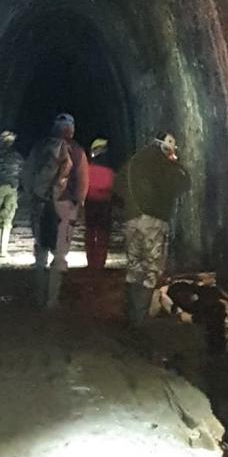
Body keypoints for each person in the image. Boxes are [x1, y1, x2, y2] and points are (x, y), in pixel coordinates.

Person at [114, 131, 190, 325]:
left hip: (131, 219)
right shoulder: (164, 164)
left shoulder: (136, 159)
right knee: (151, 269)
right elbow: (184, 184)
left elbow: (118, 186)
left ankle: (130, 312)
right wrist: (177, 163)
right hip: (153, 221)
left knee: (134, 266)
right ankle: (140, 317)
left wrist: (128, 209)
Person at [21, 113, 89, 307]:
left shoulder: (40, 147)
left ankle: (38, 295)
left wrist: (33, 198)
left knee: (41, 248)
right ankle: (52, 300)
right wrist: (79, 203)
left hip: (40, 204)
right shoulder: (76, 151)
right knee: (60, 254)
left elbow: (27, 174)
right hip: (64, 206)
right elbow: (83, 182)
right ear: (71, 129)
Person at [0, 129, 24, 256]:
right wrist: (21, 189)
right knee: (8, 218)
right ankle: (3, 249)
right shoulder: (18, 157)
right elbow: (23, 173)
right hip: (12, 188)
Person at [84, 138, 116, 268]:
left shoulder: (88, 168)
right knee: (103, 233)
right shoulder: (110, 169)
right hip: (104, 204)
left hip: (91, 203)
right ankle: (100, 261)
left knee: (91, 232)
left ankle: (91, 261)